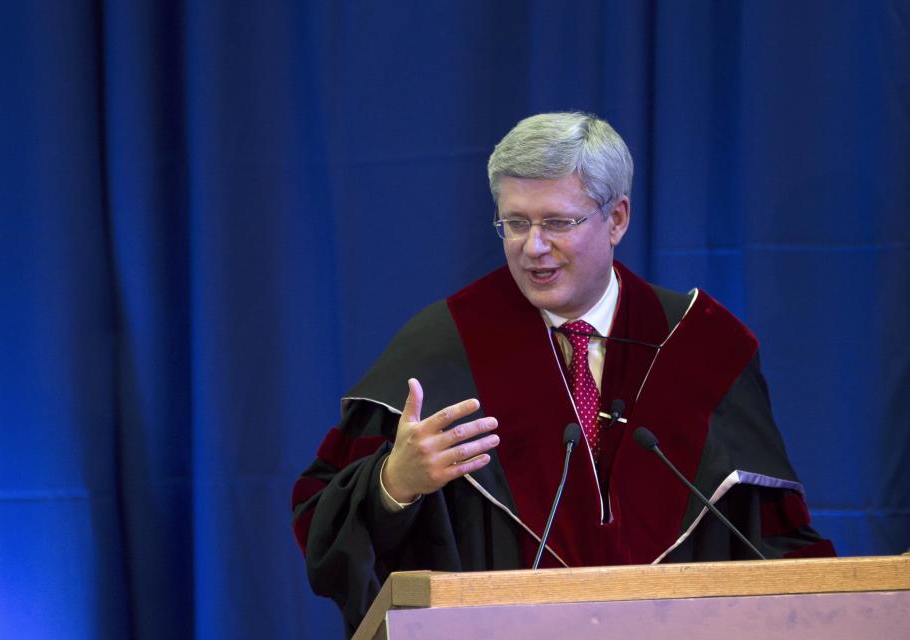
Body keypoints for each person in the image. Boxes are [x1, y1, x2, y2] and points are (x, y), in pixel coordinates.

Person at [291, 112, 835, 635]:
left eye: (557, 222)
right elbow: (324, 524)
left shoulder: (704, 348)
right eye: (515, 223)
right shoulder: (440, 350)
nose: (533, 247)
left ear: (616, 218)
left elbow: (775, 541)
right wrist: (394, 485)